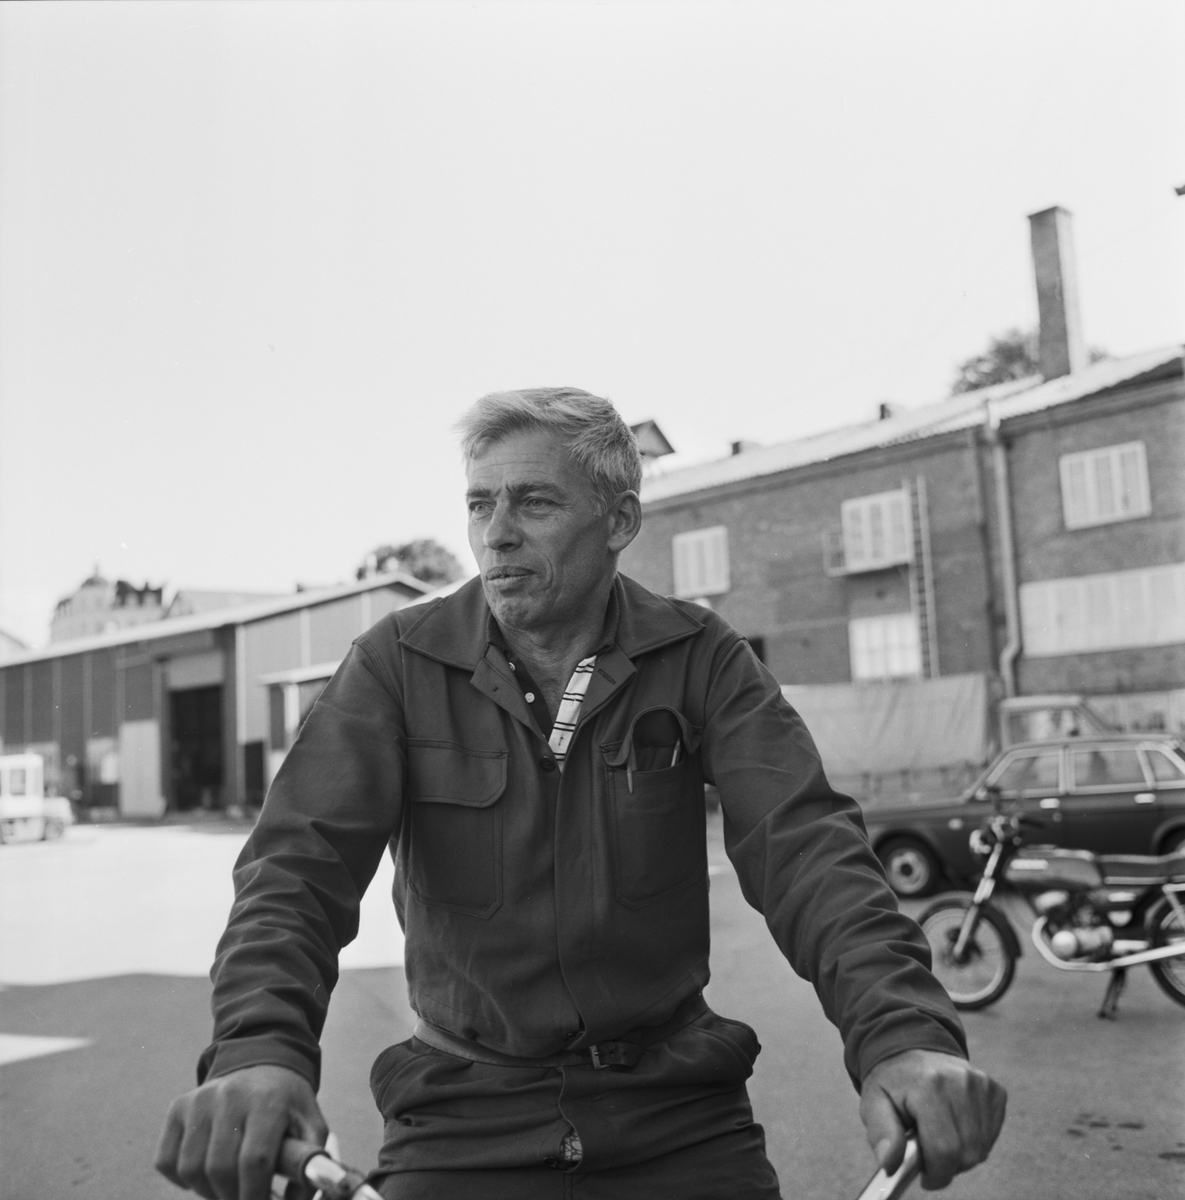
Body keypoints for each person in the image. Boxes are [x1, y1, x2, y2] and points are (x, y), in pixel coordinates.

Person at [157, 388, 1005, 1200]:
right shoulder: (395, 664)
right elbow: (297, 870)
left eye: (533, 503)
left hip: (677, 1114)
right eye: (479, 505)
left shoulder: (700, 654)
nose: (495, 534)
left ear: (619, 521)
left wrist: (902, 1034)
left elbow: (807, 848)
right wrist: (257, 1054)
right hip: (461, 1114)